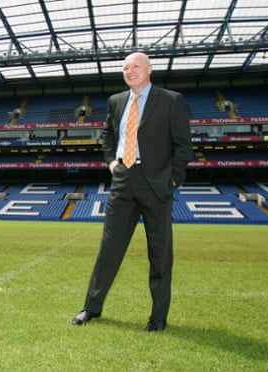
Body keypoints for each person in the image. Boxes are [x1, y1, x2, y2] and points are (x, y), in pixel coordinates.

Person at [72, 52, 193, 332]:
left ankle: (158, 317)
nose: (130, 70)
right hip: (123, 178)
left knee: (160, 253)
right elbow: (107, 135)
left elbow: (183, 146)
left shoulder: (171, 100)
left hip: (156, 182)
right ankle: (91, 307)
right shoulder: (116, 101)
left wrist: (172, 180)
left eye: (135, 66)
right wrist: (111, 162)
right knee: (109, 249)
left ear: (149, 70)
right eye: (125, 67)